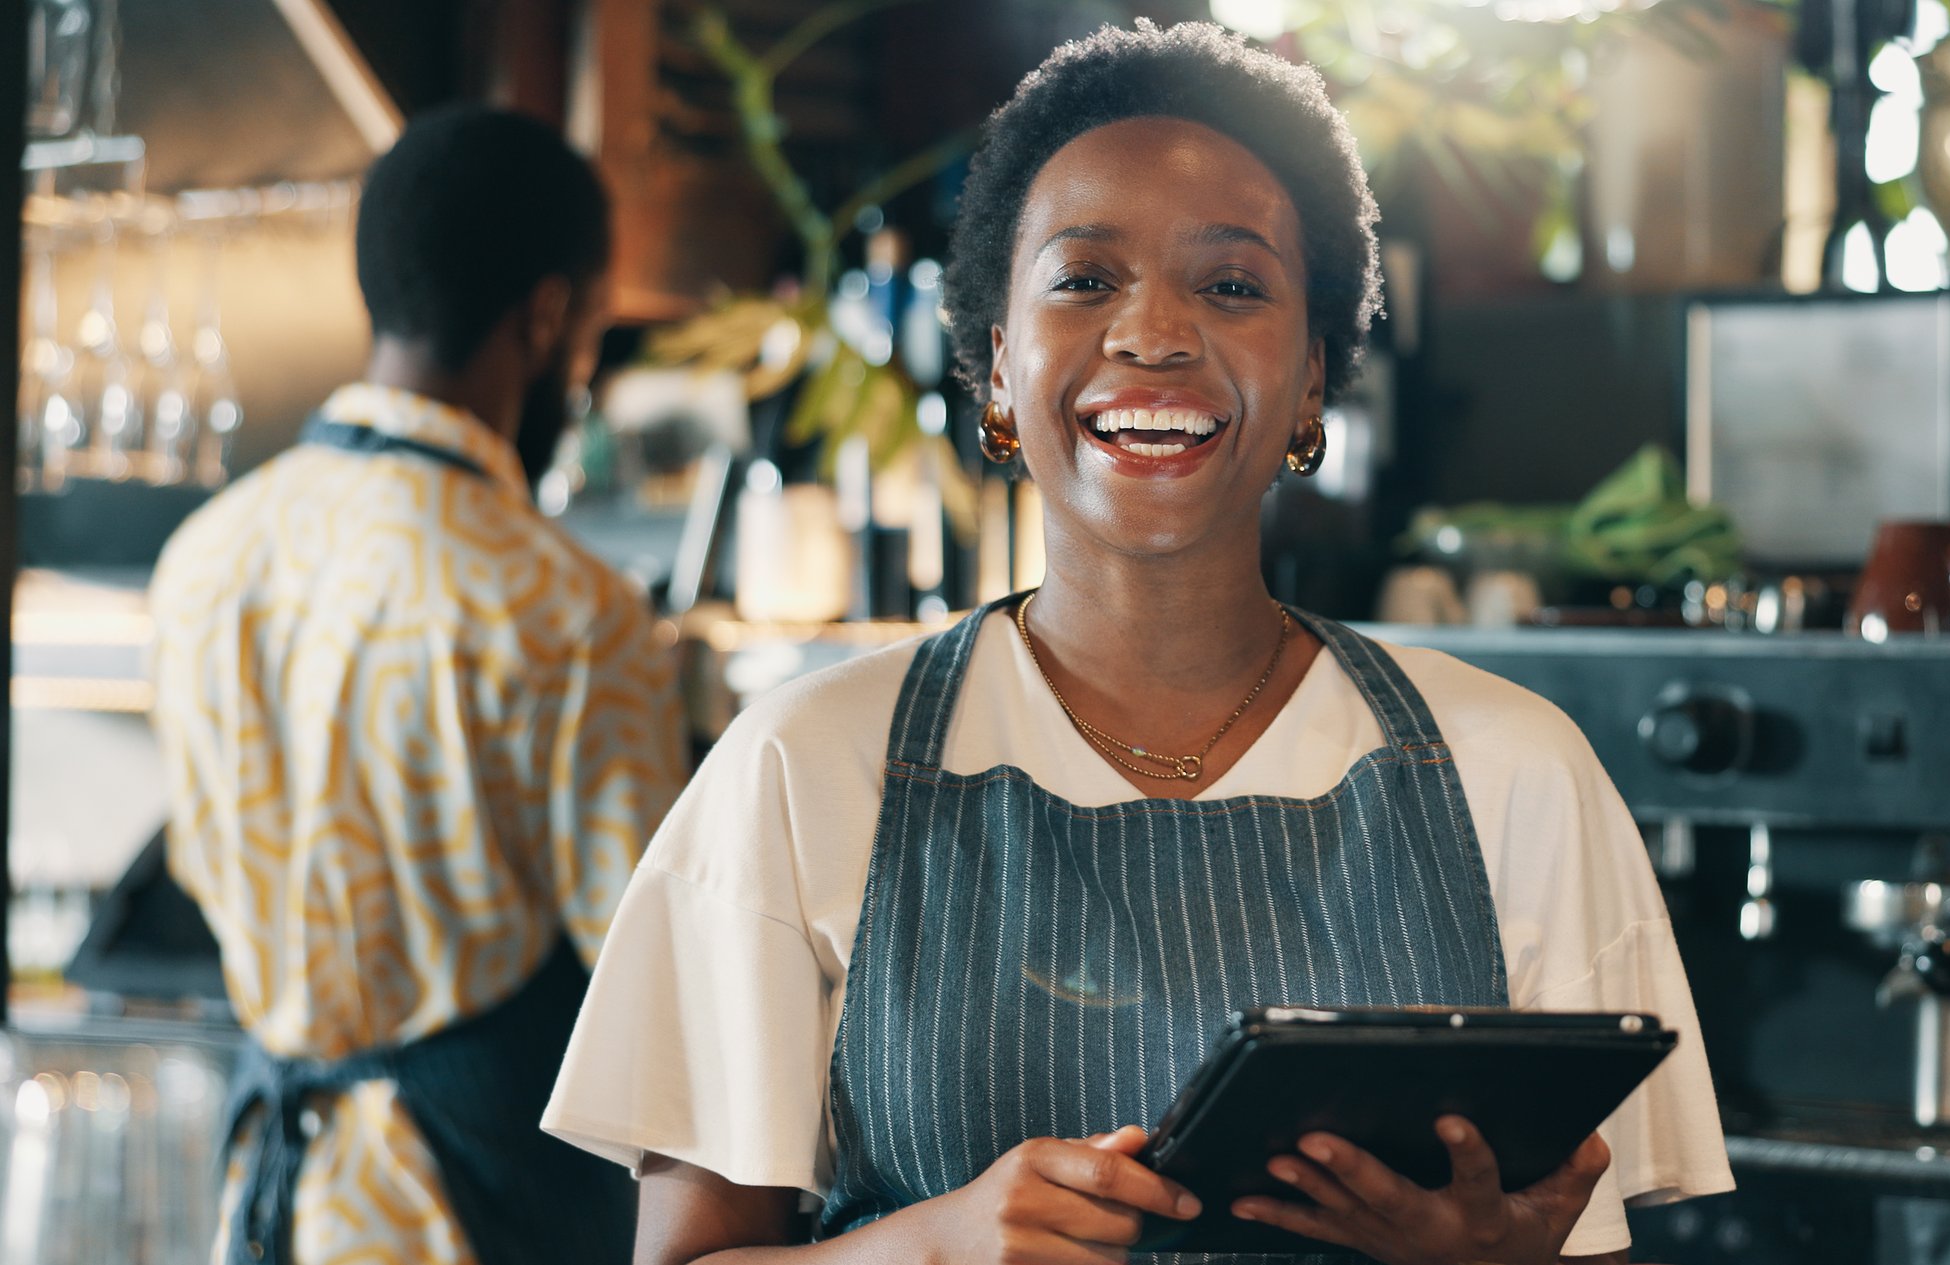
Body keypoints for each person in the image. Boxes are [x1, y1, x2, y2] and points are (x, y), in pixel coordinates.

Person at [543, 21, 1730, 1265]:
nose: (1153, 334)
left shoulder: (1518, 775)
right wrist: (931, 1246)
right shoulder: (800, 770)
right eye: (1083, 279)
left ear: (1315, 377)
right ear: (999, 366)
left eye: (1231, 286)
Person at [149, 105, 686, 1265]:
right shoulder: (567, 607)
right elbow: (653, 974)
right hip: (472, 1210)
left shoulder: (201, 558)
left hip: (265, 1196)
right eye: (590, 331)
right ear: (548, 317)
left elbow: (199, 865)